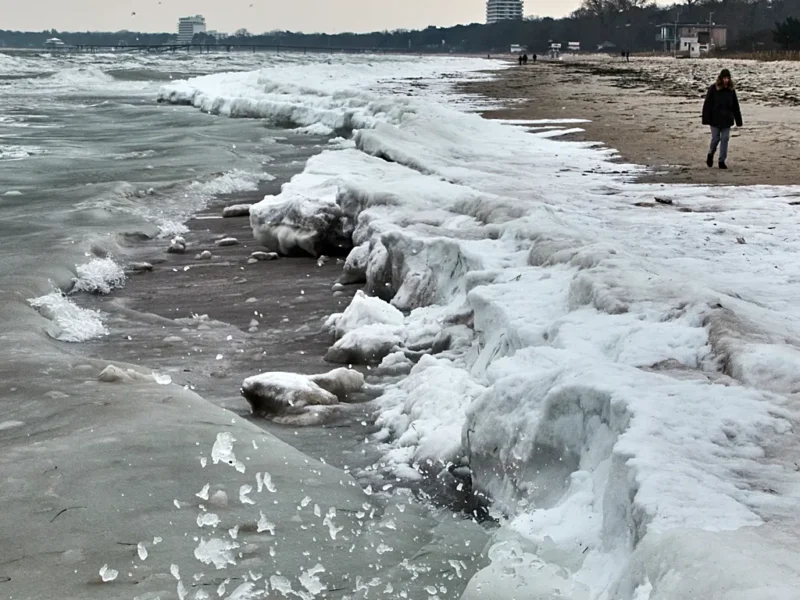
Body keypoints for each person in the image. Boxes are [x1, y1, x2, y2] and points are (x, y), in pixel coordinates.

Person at [702, 68, 743, 170]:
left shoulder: (731, 91)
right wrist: (706, 119)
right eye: (724, 78)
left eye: (727, 78)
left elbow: (735, 106)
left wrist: (738, 120)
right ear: (721, 78)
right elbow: (707, 104)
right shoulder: (713, 89)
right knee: (716, 138)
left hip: (727, 119)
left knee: (725, 138)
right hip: (714, 119)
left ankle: (721, 161)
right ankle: (710, 154)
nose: (726, 80)